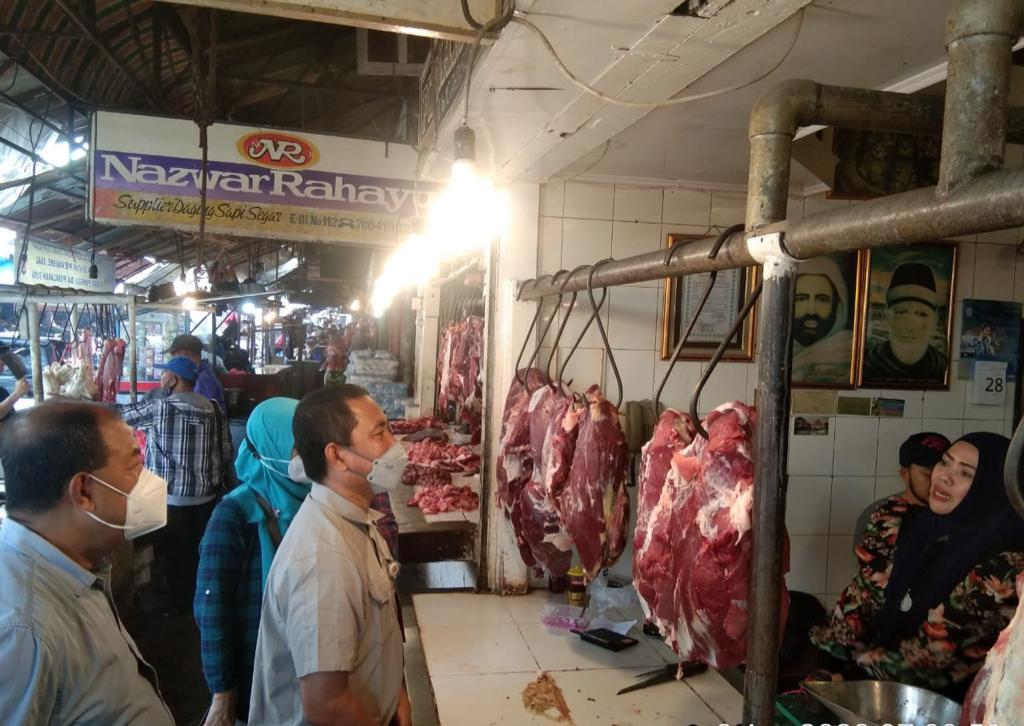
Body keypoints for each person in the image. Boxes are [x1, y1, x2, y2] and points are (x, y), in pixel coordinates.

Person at [811, 433, 1024, 700]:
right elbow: (863, 597)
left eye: (966, 474)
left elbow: (938, 652)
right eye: (945, 462)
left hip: (949, 706)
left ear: (991, 487)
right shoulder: (915, 526)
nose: (944, 476)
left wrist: (847, 680)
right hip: (881, 690)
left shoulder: (1006, 563)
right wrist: (826, 662)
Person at [0, 402, 174, 724]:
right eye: (133, 465)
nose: (146, 479)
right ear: (83, 491)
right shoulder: (22, 630)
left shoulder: (71, 567)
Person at [249, 384, 411, 726]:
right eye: (380, 433)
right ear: (337, 456)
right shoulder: (324, 558)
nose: (394, 446)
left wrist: (397, 696)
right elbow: (328, 705)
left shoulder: (354, 520)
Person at [195, 398, 311, 725]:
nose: (306, 457)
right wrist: (222, 694)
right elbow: (212, 607)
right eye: (297, 447)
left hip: (307, 663)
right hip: (255, 665)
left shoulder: (315, 500)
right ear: (270, 446)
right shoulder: (233, 515)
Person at [121, 356, 233, 613]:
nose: (162, 379)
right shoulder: (214, 408)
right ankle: (200, 598)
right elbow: (225, 451)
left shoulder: (161, 408)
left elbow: (120, 416)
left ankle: (182, 607)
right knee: (198, 552)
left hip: (172, 500)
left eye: (164, 375)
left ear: (173, 379)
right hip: (207, 497)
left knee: (175, 556)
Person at [852, 431, 950, 550]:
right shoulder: (878, 516)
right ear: (905, 474)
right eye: (929, 475)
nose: (939, 482)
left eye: (945, 474)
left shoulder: (960, 514)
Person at [863, 262, 947, 384]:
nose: (909, 327)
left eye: (921, 314)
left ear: (935, 321)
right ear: (887, 316)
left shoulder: (942, 367)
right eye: (901, 312)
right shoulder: (866, 363)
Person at [791, 256, 854, 384]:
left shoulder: (849, 350)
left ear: (838, 305)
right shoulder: (776, 352)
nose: (811, 311)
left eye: (822, 300)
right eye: (801, 299)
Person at [167, 333, 226, 408]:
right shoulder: (202, 374)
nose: (173, 362)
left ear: (186, 355)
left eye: (175, 358)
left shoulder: (202, 380)